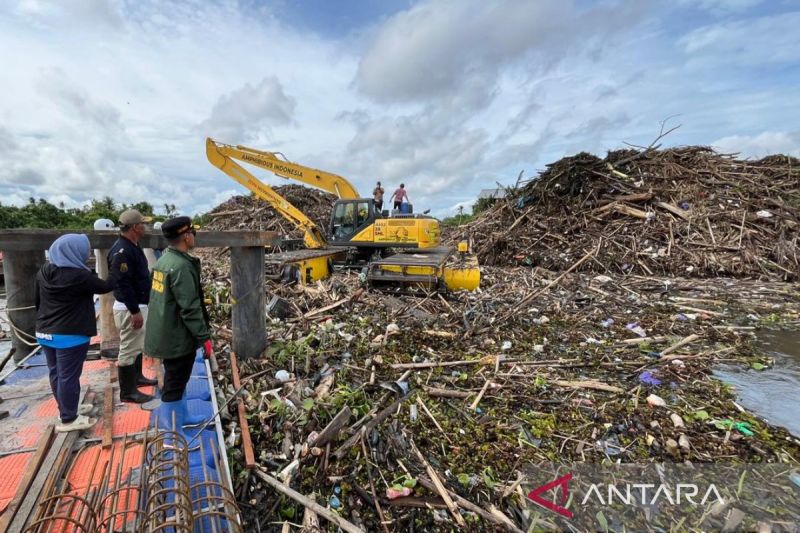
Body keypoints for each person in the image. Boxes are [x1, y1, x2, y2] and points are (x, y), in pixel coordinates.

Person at [35, 234, 118, 432]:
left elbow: (37, 301)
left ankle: (66, 408)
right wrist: (116, 267)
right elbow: (106, 286)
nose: (86, 253)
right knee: (68, 376)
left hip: (45, 332)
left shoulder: (44, 270)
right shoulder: (80, 276)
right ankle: (69, 419)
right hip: (69, 335)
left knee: (56, 373)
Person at [145, 217, 212, 440]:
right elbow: (190, 308)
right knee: (174, 382)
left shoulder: (165, 260)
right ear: (186, 236)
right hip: (176, 334)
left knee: (179, 378)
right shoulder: (181, 266)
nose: (194, 237)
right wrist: (204, 337)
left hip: (166, 329)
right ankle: (172, 433)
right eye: (193, 233)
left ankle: (181, 418)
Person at [109, 209, 157, 405]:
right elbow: (121, 283)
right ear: (136, 227)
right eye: (143, 224)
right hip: (130, 307)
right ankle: (128, 392)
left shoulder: (132, 245)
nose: (145, 227)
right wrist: (135, 311)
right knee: (128, 349)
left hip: (137, 304)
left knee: (137, 345)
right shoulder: (122, 251)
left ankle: (137, 378)